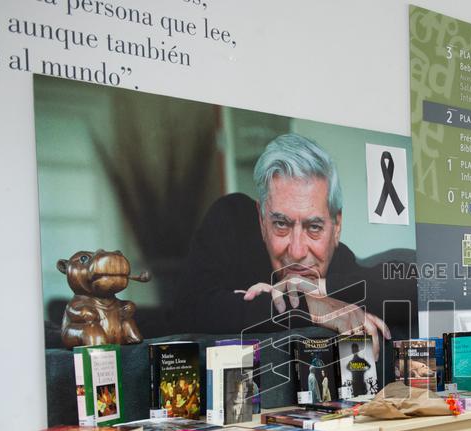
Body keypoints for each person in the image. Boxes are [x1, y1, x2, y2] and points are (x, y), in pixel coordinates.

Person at [175, 133, 414, 357]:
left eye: (314, 227)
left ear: (336, 225)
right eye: (281, 224)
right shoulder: (233, 220)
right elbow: (190, 311)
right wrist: (309, 307)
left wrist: (319, 289)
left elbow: (418, 284)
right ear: (261, 218)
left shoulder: (338, 260)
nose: (297, 251)